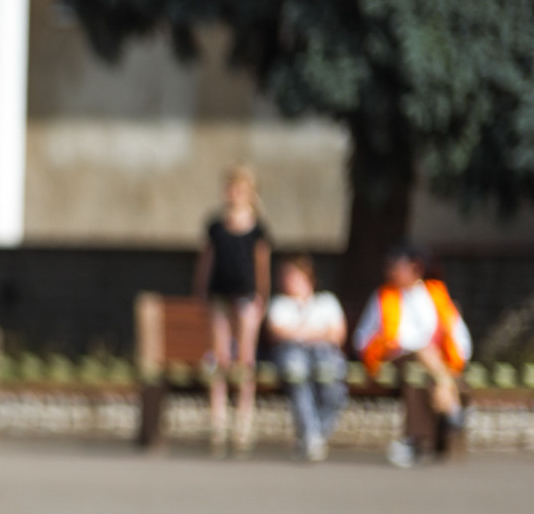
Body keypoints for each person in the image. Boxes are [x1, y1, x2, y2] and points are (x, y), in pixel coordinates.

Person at [352, 245, 471, 468]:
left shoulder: (435, 294)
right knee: (419, 364)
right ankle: (449, 408)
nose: (391, 272)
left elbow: (456, 331)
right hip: (397, 356)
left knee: (421, 374)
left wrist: (455, 359)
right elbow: (362, 337)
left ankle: (418, 441)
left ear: (415, 268)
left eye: (396, 267)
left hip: (433, 361)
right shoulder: (384, 296)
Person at [192, 165, 272, 457]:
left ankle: (243, 422)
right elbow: (206, 262)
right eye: (229, 187)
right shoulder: (215, 225)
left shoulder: (257, 227)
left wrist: (263, 297)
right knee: (220, 358)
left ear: (249, 192)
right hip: (220, 295)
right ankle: (217, 422)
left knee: (245, 359)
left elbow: (262, 264)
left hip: (247, 297)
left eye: (238, 187)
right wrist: (200, 290)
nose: (233, 192)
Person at [263, 255, 349, 462]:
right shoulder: (280, 303)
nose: (286, 280)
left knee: (331, 380)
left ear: (307, 277)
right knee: (297, 374)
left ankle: (313, 436)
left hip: (324, 354)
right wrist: (317, 333)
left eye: (291, 275)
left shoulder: (326, 301)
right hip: (293, 354)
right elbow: (277, 333)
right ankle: (313, 438)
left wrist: (300, 332)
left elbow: (337, 335)